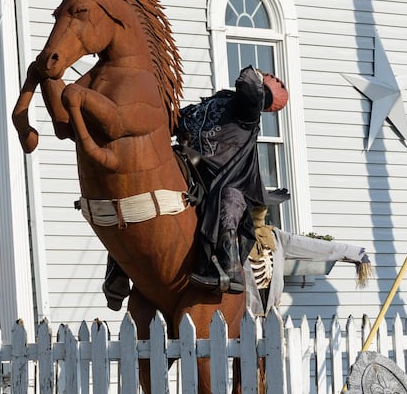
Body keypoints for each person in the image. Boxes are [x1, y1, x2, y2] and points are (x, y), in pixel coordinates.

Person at [101, 65, 288, 308]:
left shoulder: (247, 112)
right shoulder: (209, 104)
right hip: (190, 165)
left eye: (262, 86)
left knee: (231, 199)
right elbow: (168, 123)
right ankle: (119, 266)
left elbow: (247, 82)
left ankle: (226, 265)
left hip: (222, 176)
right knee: (142, 187)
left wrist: (257, 74)